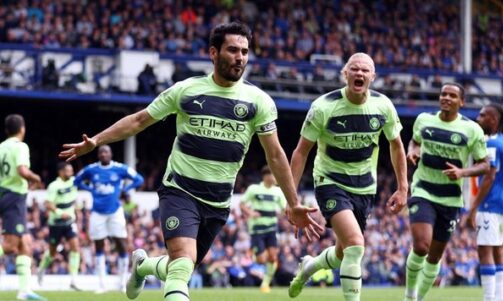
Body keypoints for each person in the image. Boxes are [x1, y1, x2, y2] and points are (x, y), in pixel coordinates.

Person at [59, 21, 322, 301]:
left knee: (180, 267)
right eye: (233, 50)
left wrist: (293, 203)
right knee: (183, 262)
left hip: (219, 201)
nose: (240, 57)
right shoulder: (186, 90)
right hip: (180, 190)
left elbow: (275, 154)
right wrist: (97, 141)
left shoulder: (259, 101)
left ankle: (143, 266)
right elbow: (139, 120)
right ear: (213, 53)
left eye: (244, 52)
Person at [288, 52, 409, 301]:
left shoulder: (383, 105)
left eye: (365, 70)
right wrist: (292, 199)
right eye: (354, 69)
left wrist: (403, 187)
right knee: (356, 244)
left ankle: (309, 266)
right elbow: (301, 152)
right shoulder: (324, 106)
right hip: (330, 181)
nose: (360, 73)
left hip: (364, 187)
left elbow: (396, 145)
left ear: (373, 77)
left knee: (344, 253)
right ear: (345, 74)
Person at [403, 83, 489, 301]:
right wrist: (412, 150)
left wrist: (462, 172)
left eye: (452, 95)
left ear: (461, 102)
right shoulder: (424, 119)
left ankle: (419, 298)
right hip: (423, 190)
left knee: (434, 257)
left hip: (450, 199)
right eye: (443, 94)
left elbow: (485, 164)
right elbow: (414, 141)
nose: (446, 98)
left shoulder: (472, 129)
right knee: (421, 246)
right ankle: (410, 295)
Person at [73, 145, 144, 293]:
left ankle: (122, 283)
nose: (103, 154)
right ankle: (101, 284)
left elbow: (139, 179)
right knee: (99, 246)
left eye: (106, 152)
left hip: (115, 212)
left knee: (122, 245)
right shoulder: (91, 169)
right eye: (101, 152)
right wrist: (89, 189)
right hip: (97, 213)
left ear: (111, 154)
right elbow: (76, 180)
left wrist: (124, 189)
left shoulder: (120, 168)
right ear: (98, 155)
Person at [465, 103, 503, 301]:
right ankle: (499, 298)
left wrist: (473, 207)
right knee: (497, 251)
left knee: (485, 251)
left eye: (483, 115)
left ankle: (489, 298)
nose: (478, 118)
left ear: (493, 120)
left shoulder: (492, 143)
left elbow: (489, 176)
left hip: (490, 205)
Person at [0, 114, 46, 301]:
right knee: (10, 246)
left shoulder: (1, 147)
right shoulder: (20, 146)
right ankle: (24, 291)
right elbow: (22, 170)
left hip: (6, 193)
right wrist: (36, 178)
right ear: (22, 129)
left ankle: (24, 291)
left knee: (25, 244)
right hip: (14, 197)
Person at [239, 165, 286, 292]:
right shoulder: (254, 189)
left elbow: (284, 209)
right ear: (266, 176)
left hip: (271, 228)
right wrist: (250, 213)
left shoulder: (278, 191)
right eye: (274, 175)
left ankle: (265, 284)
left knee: (273, 257)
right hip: (257, 229)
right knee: (261, 260)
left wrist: (285, 213)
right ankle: (253, 255)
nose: (276, 178)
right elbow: (242, 204)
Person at [37, 162, 82, 291]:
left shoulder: (74, 181)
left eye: (72, 170)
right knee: (52, 252)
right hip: (56, 223)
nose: (71, 173)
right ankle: (41, 270)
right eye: (68, 171)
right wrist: (60, 213)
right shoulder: (54, 186)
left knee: (75, 247)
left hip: (70, 222)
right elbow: (47, 204)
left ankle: (74, 279)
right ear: (61, 172)